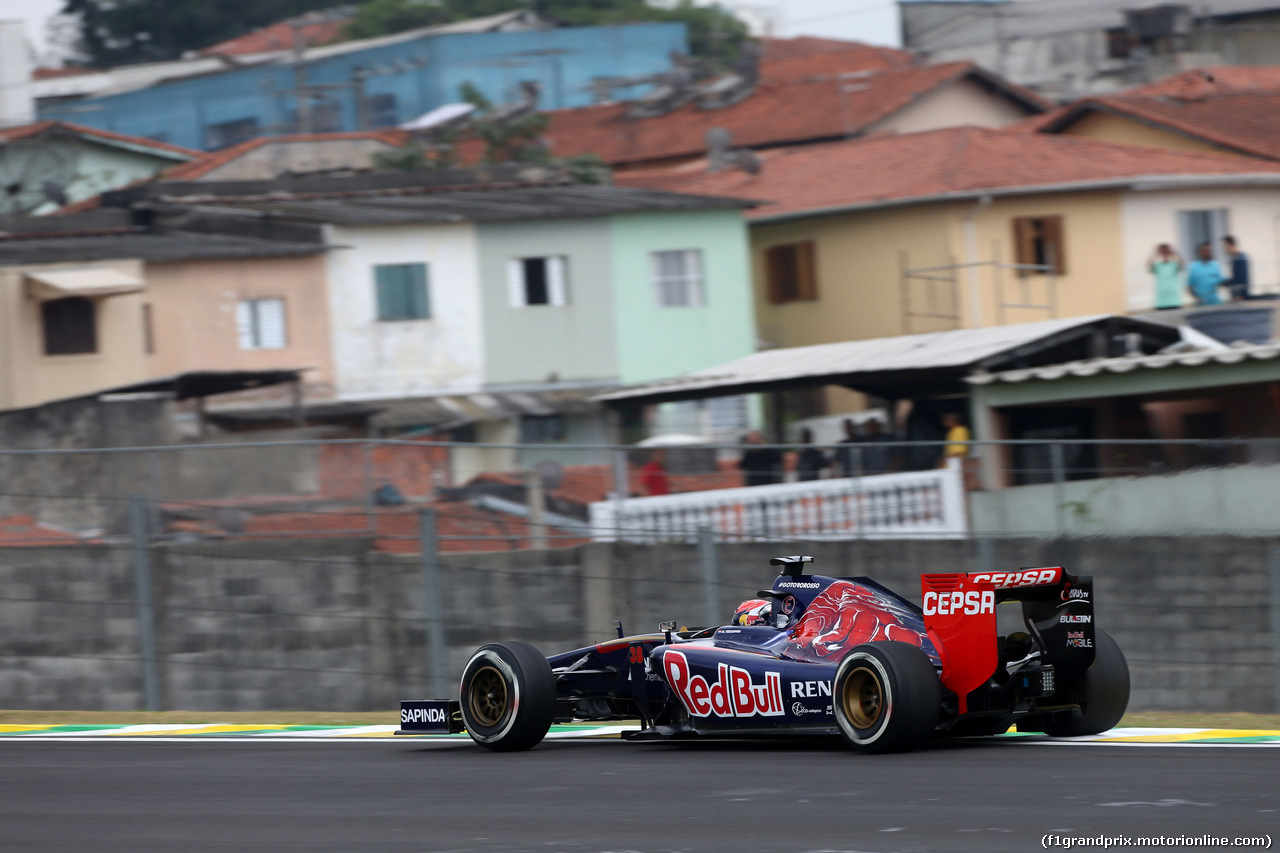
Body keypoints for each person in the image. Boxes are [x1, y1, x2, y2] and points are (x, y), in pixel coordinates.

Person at [1148, 243, 1184, 309]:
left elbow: (1182, 264)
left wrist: (1174, 253)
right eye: (1163, 252)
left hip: (1175, 301)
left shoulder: (1174, 264)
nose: (1165, 254)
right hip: (1161, 302)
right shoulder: (1157, 266)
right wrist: (1156, 254)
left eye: (1166, 252)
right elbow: (1148, 265)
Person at [1187, 241, 1224, 306]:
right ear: (1200, 252)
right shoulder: (1194, 267)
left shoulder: (1216, 265)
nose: (1208, 252)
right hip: (1201, 304)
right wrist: (1198, 298)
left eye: (1210, 250)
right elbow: (1189, 287)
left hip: (1215, 302)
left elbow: (1222, 282)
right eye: (1206, 250)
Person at [1223, 235, 1250, 301]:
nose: (1224, 249)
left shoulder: (1240, 259)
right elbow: (1236, 278)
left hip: (1240, 298)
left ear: (1230, 245)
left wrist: (1240, 295)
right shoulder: (1235, 259)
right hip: (1237, 297)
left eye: (1225, 247)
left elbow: (1242, 279)